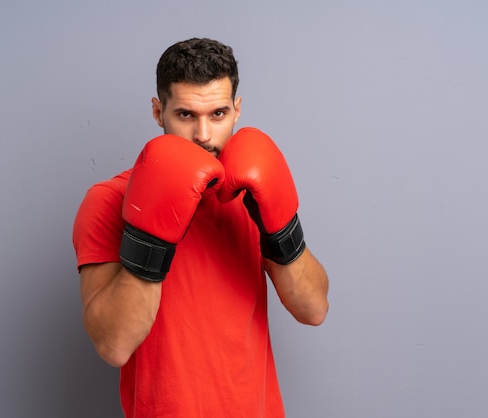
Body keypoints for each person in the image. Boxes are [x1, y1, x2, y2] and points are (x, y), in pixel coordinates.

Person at [73, 37, 329, 417]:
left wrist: (281, 230)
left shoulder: (251, 191)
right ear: (158, 111)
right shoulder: (110, 200)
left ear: (237, 110)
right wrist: (151, 234)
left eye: (218, 114)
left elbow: (313, 309)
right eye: (186, 115)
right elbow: (113, 345)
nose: (204, 135)